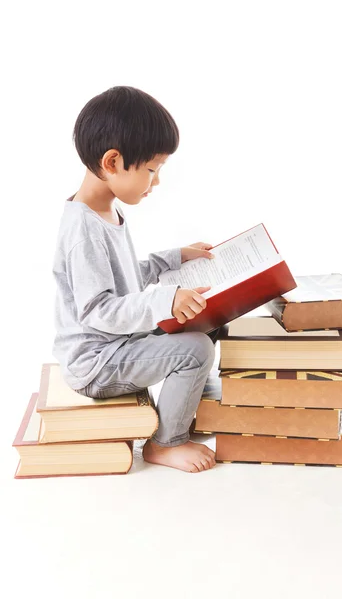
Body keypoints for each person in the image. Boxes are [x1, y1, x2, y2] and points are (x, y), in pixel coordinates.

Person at [52, 86, 220, 474]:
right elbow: (99, 310)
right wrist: (165, 300)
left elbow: (125, 280)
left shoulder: (104, 212)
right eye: (151, 169)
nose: (156, 181)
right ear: (112, 161)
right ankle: (165, 443)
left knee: (204, 323)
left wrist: (174, 259)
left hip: (117, 345)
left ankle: (187, 410)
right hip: (97, 362)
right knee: (194, 350)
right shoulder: (84, 230)